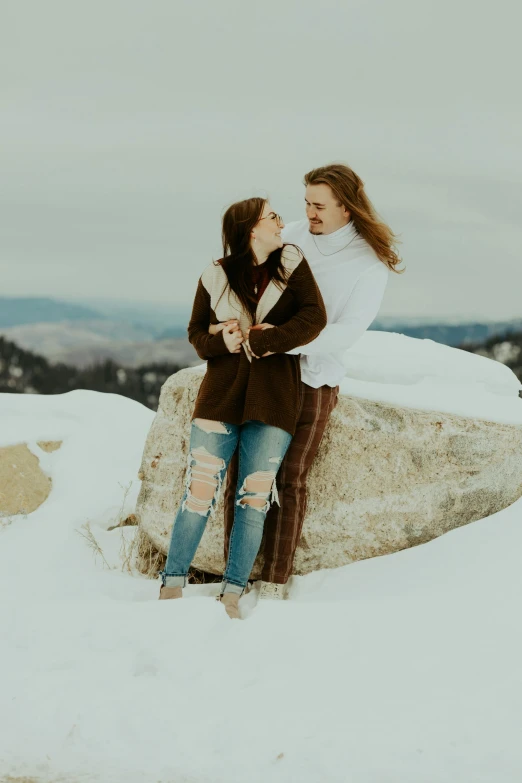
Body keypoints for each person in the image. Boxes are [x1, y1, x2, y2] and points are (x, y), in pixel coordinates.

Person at [223, 164, 403, 599]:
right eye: (305, 201)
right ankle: (236, 578)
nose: (309, 212)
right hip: (263, 372)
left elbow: (346, 332)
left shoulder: (368, 263)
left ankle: (274, 582)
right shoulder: (294, 236)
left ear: (346, 207)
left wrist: (283, 342)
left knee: (290, 479)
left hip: (313, 378)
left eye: (319, 205)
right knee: (243, 474)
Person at [159, 196, 327, 618]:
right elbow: (197, 333)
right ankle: (171, 585)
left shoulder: (291, 263)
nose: (280, 221)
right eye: (271, 216)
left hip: (274, 401)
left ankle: (232, 593)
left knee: (254, 498)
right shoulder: (214, 276)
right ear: (251, 229)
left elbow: (315, 318)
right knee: (198, 493)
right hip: (219, 398)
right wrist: (223, 342)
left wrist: (266, 339)